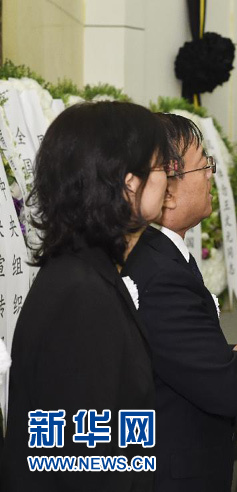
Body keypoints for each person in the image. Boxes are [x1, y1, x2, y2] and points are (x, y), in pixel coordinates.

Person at [0, 101, 173, 491]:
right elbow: (81, 462)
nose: (169, 178)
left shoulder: (88, 274)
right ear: (129, 183)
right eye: (162, 166)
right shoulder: (81, 294)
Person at [121, 113, 237, 492]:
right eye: (204, 165)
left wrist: (232, 355)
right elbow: (227, 390)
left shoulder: (159, 255)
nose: (212, 174)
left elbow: (176, 357)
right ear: (167, 188)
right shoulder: (160, 272)